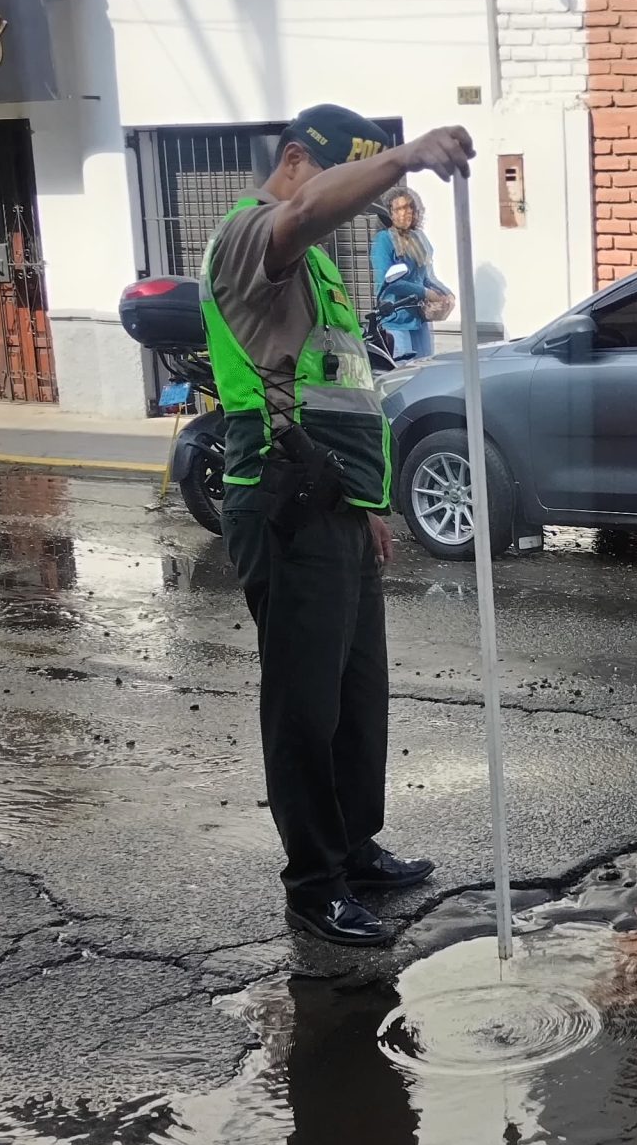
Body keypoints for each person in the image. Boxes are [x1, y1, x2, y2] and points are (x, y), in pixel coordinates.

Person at [202, 105, 475, 945]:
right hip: (285, 510)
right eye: (348, 180)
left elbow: (340, 388)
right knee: (304, 706)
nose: (355, 205)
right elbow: (301, 213)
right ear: (295, 160)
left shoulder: (319, 269)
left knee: (359, 694)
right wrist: (406, 156)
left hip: (338, 511)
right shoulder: (255, 237)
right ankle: (313, 884)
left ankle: (355, 847)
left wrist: (371, 506)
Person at [370, 188, 453, 362]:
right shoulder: (383, 240)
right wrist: (425, 292)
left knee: (425, 371)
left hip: (419, 318)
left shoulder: (419, 238)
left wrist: (445, 293)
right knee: (403, 374)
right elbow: (389, 282)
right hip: (396, 320)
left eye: (409, 207)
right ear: (389, 214)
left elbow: (427, 276)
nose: (406, 212)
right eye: (399, 209)